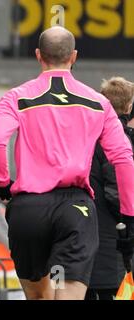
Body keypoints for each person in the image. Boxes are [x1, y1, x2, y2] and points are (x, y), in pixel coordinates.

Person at [0, 26, 134, 300]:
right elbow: (123, 158)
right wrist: (128, 215)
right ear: (74, 56)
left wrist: (3, 184)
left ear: (39, 55)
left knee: (40, 296)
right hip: (74, 210)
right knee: (65, 293)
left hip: (28, 211)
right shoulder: (98, 102)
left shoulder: (16, 97)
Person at [87, 77, 134, 300]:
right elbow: (117, 192)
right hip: (111, 240)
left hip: (81, 237)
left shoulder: (86, 135)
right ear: (129, 106)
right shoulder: (117, 138)